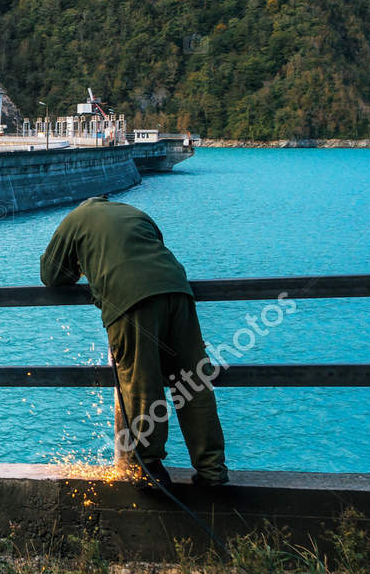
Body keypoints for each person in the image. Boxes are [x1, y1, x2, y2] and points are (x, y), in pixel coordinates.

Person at [39, 196, 229, 487]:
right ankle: (213, 470)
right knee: (192, 381)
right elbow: (152, 248)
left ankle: (149, 467)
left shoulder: (75, 220)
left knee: (141, 382)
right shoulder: (135, 213)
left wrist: (83, 266)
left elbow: (50, 275)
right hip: (177, 290)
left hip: (130, 301)